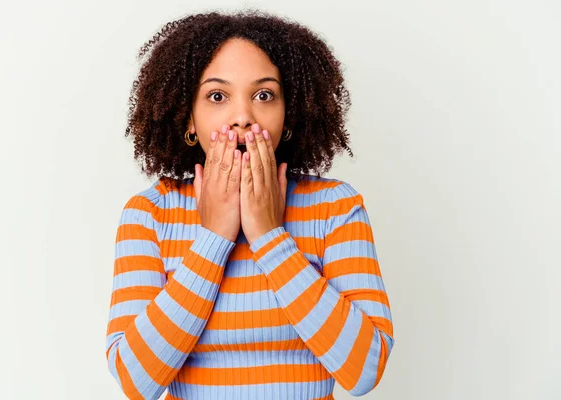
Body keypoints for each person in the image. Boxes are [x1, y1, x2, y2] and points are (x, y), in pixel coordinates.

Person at [105, 9, 395, 400]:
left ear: (287, 115)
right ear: (189, 118)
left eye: (263, 95)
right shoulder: (148, 215)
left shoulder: (336, 208)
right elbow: (135, 380)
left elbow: (364, 369)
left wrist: (270, 236)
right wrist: (212, 237)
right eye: (217, 96)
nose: (242, 116)